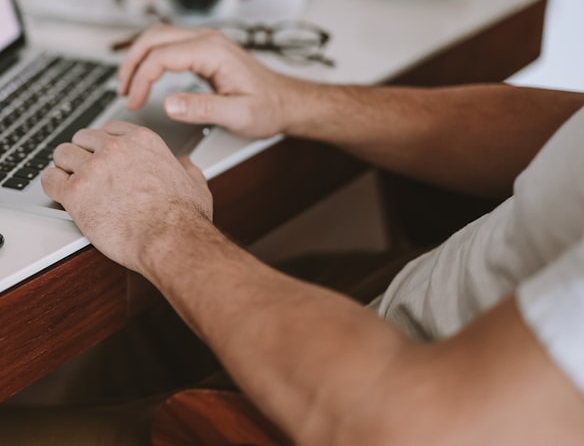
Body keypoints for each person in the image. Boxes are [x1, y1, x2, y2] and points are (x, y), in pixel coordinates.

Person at [35, 23, 584, 444]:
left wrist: (162, 228)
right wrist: (291, 100)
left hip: (362, 407)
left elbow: (411, 427)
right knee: (148, 336)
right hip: (415, 297)